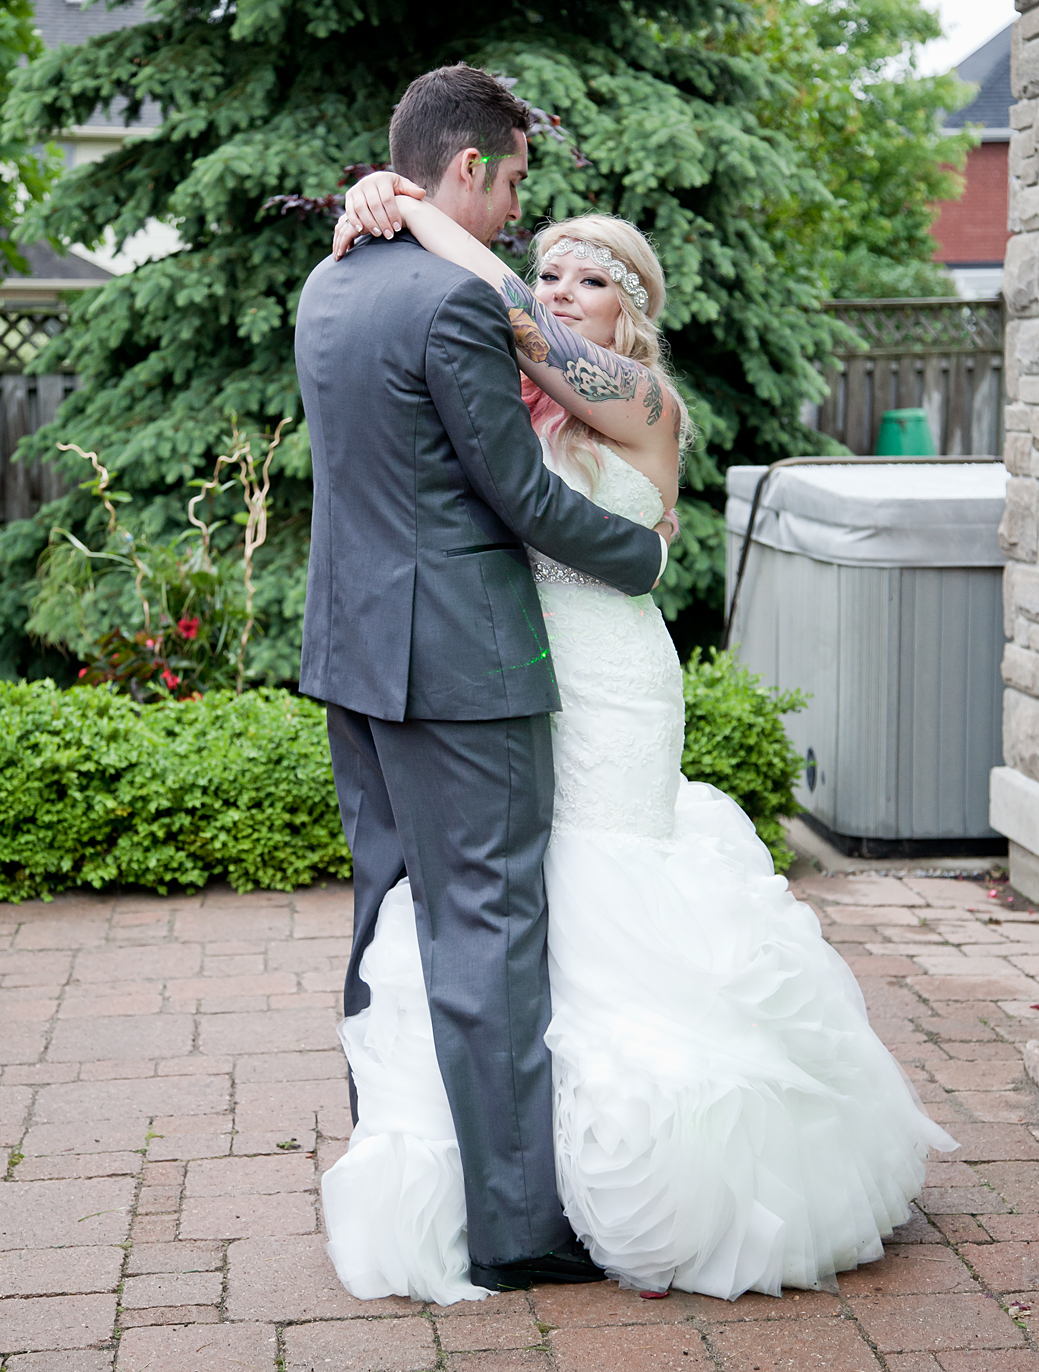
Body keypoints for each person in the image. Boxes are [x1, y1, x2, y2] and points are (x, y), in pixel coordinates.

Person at [322, 128, 957, 1305]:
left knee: (607, 890)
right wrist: (396, 205)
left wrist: (403, 203)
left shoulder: (639, 399)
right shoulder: (526, 400)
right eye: (553, 268)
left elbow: (508, 312)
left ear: (634, 311)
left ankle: (647, 1176)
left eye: (591, 278)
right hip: (502, 671)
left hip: (608, 677)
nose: (561, 289)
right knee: (523, 907)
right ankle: (528, 1168)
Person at [294, 63, 674, 1300]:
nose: (518, 208)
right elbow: (516, 495)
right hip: (463, 658)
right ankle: (514, 1227)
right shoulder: (458, 304)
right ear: (466, 170)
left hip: (356, 649)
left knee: (389, 912)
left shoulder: (329, 282)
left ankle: (393, 1149)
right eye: (511, 180)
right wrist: (642, 558)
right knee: (493, 929)